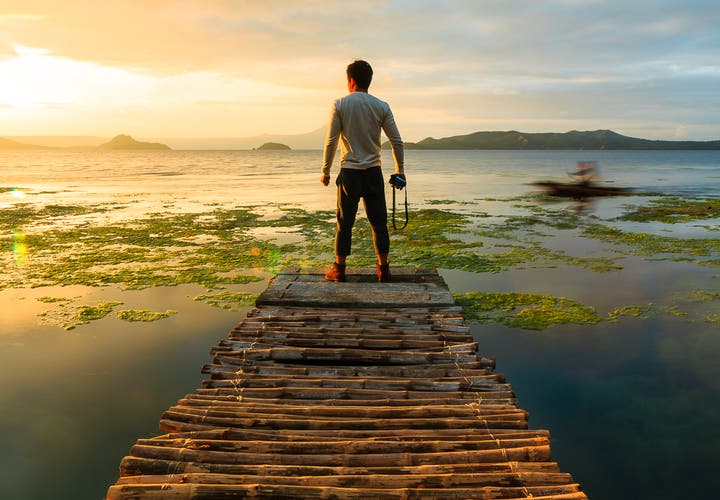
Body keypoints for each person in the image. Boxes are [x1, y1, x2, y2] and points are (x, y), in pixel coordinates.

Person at [321, 59, 405, 283]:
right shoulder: (381, 106)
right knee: (379, 223)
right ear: (369, 81)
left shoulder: (340, 104)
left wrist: (326, 171)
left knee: (344, 222)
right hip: (373, 172)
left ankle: (339, 269)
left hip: (349, 172)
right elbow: (397, 141)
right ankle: (383, 269)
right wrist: (400, 171)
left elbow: (331, 141)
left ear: (351, 81)